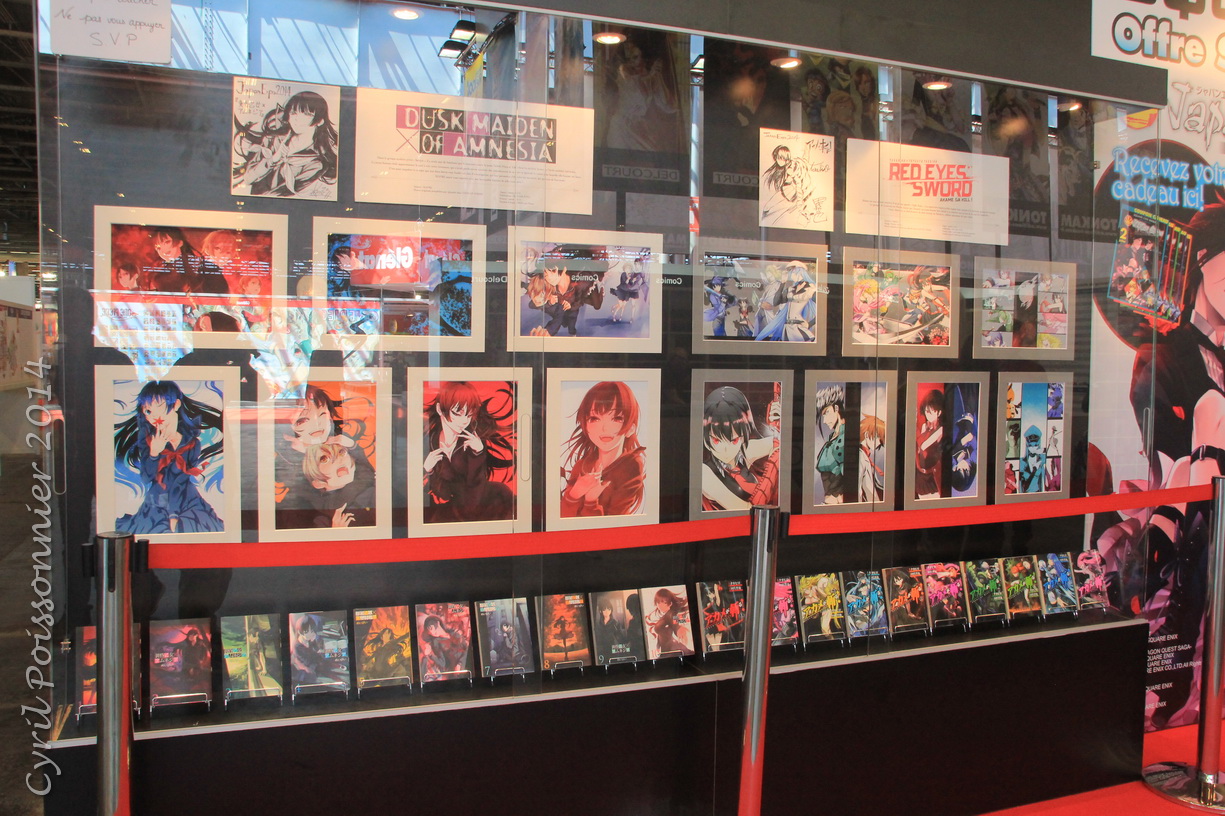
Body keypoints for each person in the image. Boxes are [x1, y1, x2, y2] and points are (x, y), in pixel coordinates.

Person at [113, 380, 225, 534]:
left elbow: (181, 480)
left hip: (187, 499)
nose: (154, 417)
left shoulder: (192, 442)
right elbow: (146, 477)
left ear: (176, 405)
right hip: (158, 501)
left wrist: (174, 513)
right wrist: (154, 453)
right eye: (148, 411)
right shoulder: (148, 440)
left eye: (160, 407)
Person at [423, 381, 515, 524]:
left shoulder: (474, 441)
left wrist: (478, 454)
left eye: (469, 414)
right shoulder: (430, 441)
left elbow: (475, 486)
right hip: (454, 508)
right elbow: (443, 493)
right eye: (457, 413)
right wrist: (428, 470)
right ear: (440, 409)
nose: (464, 421)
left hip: (485, 503)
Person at [560, 381, 646, 517]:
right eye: (594, 418)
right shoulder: (581, 466)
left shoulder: (631, 466)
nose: (604, 428)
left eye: (616, 418)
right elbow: (563, 518)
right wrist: (575, 493)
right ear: (585, 426)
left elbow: (616, 522)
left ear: (631, 428)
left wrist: (591, 501)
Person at [233, 91, 339, 198]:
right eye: (293, 113)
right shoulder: (273, 141)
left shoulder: (316, 163)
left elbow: (282, 194)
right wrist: (273, 159)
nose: (297, 118)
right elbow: (248, 178)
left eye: (306, 114)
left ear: (320, 121)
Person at [700, 386, 780, 511]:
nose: (725, 449)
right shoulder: (704, 473)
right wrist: (773, 466)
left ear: (743, 436)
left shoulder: (743, 452)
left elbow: (780, 442)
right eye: (716, 440)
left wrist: (778, 422)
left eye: (734, 440)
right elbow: (748, 509)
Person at [605, 38, 680, 153]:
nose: (633, 62)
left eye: (636, 57)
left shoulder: (650, 76)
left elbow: (668, 106)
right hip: (621, 127)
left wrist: (658, 76)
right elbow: (637, 88)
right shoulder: (623, 74)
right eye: (630, 59)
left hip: (639, 128)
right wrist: (652, 75)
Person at [301, 442, 375, 528]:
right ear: (318, 483)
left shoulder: (371, 487)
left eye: (341, 452)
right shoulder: (321, 516)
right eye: (324, 459)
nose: (338, 459)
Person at [148, 226, 229, 296]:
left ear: (180, 242)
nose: (163, 249)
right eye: (158, 247)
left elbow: (220, 297)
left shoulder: (207, 268)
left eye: (167, 242)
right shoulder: (158, 277)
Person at [813, 386, 845, 503]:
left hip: (838, 500)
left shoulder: (844, 437)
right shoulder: (832, 438)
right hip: (830, 500)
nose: (825, 421)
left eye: (827, 413)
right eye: (823, 416)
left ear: (836, 408)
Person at [644, 587, 693, 656]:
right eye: (658, 602)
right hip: (664, 650)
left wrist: (679, 629)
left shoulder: (671, 614)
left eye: (664, 602)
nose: (660, 605)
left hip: (674, 649)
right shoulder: (655, 615)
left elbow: (675, 622)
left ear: (670, 603)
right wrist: (656, 647)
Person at [915, 388, 945, 499]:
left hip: (932, 477)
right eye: (926, 411)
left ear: (939, 412)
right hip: (920, 475)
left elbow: (923, 445)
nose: (927, 415)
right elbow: (919, 449)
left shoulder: (941, 430)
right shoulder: (925, 426)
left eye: (930, 412)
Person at [858, 415, 886, 503]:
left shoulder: (865, 455)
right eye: (877, 437)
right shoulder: (861, 456)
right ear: (867, 435)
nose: (879, 442)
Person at [1019, 425, 1046, 493]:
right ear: (1027, 446)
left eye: (1035, 445)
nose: (1033, 448)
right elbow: (1021, 484)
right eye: (1030, 446)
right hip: (1025, 495)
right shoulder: (1022, 462)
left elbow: (1042, 482)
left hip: (1037, 493)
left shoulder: (1041, 460)